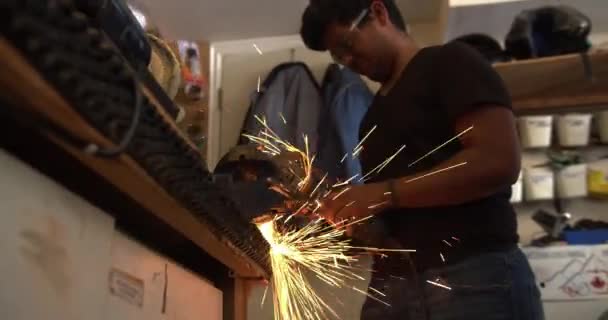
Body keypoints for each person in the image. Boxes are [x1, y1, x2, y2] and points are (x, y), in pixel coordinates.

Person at [300, 1, 545, 319]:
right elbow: (391, 217)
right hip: (393, 289)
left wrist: (383, 193)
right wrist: (341, 215)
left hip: (472, 277)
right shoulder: (370, 119)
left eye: (347, 45)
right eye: (337, 56)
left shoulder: (450, 62)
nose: (347, 61)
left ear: (378, 13)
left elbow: (497, 160)